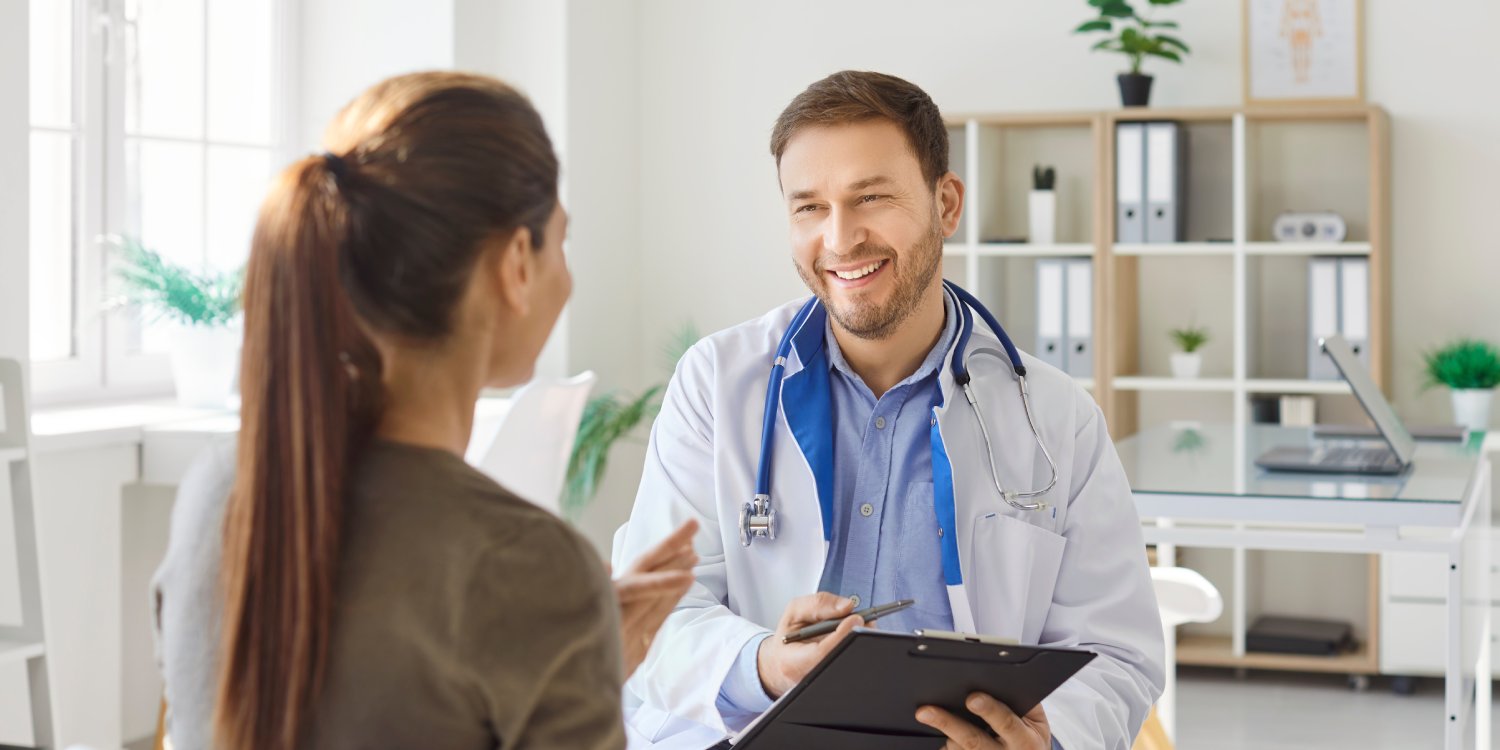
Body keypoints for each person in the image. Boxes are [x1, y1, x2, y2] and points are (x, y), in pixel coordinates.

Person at [614, 71, 1165, 750]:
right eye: (809, 207)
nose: (841, 239)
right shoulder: (717, 385)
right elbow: (652, 617)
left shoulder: (1055, 417)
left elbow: (1116, 651)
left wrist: (1045, 743)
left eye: (870, 197)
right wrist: (765, 663)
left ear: (947, 203)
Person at [151, 71, 696, 750]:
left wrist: (569, 658)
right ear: (516, 266)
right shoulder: (528, 565)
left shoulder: (220, 490)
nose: (569, 276)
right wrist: (566, 647)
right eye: (562, 241)